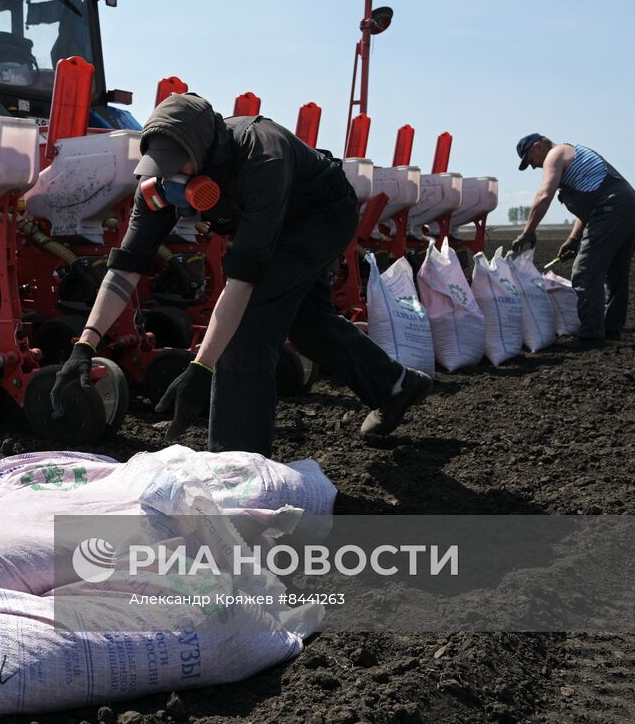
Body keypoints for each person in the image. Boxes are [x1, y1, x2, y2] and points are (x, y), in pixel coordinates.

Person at [50, 93, 432, 455]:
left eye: (177, 167)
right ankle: (395, 386)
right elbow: (127, 266)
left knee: (246, 332)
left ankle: (238, 467)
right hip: (270, 223)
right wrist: (85, 344)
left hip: (319, 218)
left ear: (203, 152)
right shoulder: (159, 184)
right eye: (160, 169)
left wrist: (202, 367)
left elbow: (242, 282)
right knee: (308, 324)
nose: (170, 182)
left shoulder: (261, 156)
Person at [510, 134, 635, 345]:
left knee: (584, 271)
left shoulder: (554, 154)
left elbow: (544, 194)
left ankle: (591, 334)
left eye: (530, 161)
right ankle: (610, 328)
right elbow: (590, 202)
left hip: (612, 207)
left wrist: (528, 232)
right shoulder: (573, 153)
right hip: (630, 205)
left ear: (537, 147)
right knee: (616, 272)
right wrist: (574, 239)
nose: (535, 167)